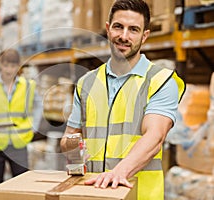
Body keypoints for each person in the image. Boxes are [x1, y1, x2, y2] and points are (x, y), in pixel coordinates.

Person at [60, 0, 185, 199]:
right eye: (118, 27)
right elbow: (70, 137)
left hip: (138, 194)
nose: (124, 36)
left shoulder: (160, 81)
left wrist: (118, 172)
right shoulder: (87, 83)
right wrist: (74, 154)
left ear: (144, 36)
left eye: (133, 29)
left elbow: (155, 137)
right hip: (94, 193)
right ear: (108, 29)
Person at [0, 48, 43, 187]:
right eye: (5, 65)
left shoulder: (27, 85)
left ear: (18, 66)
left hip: (19, 141)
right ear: (0, 65)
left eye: (12, 66)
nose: (8, 70)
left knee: (22, 184)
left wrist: (34, 126)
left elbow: (38, 105)